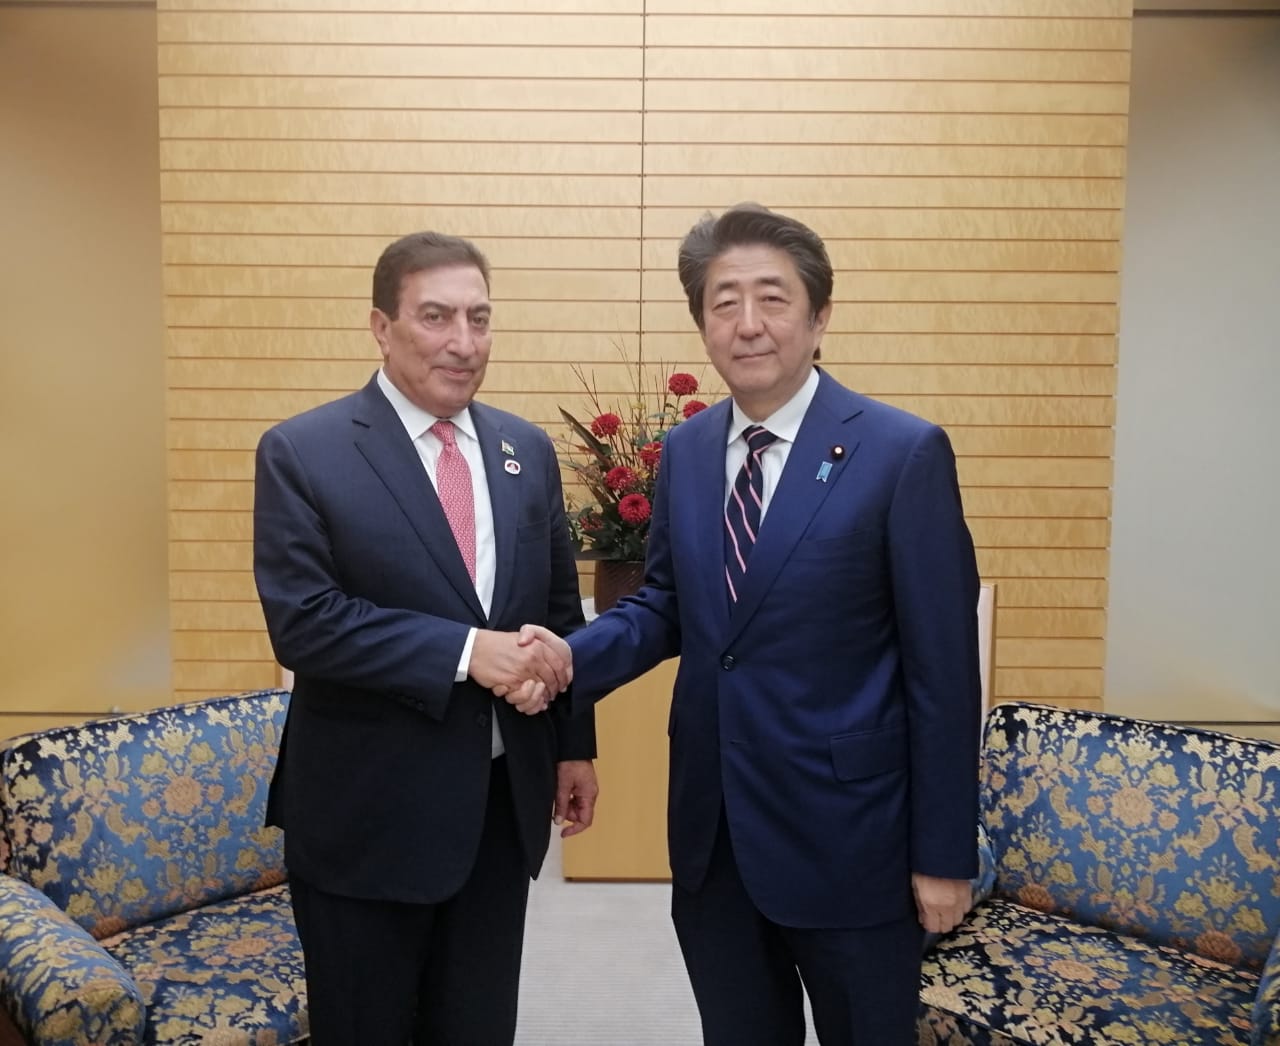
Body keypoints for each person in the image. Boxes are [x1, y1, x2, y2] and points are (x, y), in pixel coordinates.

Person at [515, 204, 981, 1045]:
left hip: (851, 838)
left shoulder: (901, 453)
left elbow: (943, 673)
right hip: (713, 828)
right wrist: (568, 659)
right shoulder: (689, 452)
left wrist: (944, 855)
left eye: (773, 297)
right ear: (703, 324)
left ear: (819, 317)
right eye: (724, 302)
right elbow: (666, 604)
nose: (748, 322)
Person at [253, 231, 598, 1046]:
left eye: (480, 318)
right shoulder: (304, 451)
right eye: (436, 316)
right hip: (366, 815)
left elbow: (558, 613)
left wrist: (574, 747)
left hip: (497, 809)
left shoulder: (525, 450)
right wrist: (468, 651)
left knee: (478, 1025)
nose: (463, 342)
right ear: (382, 326)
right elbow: (305, 622)